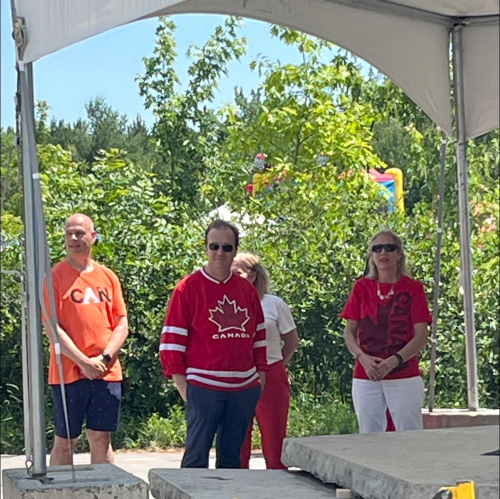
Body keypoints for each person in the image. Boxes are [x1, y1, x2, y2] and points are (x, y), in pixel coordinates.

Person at [159, 220, 268, 469]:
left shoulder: (246, 290)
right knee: (196, 458)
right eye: (214, 246)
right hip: (203, 387)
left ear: (235, 250)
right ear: (206, 248)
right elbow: (172, 342)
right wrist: (183, 387)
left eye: (227, 248)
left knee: (232, 460)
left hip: (243, 388)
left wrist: (259, 379)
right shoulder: (187, 288)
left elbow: (259, 337)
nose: (220, 253)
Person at [43, 213, 129, 465]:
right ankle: (59, 492)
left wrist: (102, 359)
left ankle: (104, 490)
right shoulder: (54, 277)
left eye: (80, 233)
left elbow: (121, 324)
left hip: (106, 371)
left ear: (93, 236)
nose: (73, 238)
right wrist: (83, 362)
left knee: (101, 437)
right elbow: (52, 328)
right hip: (67, 371)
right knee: (66, 440)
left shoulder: (108, 277)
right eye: (69, 233)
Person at [341, 229, 431, 433]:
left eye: (390, 248)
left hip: (404, 374)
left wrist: (394, 360)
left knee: (409, 434)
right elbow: (349, 332)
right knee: (369, 435)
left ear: (399, 254)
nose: (384, 253)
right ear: (371, 256)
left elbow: (421, 335)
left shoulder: (413, 288)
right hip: (367, 373)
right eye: (377, 248)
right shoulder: (361, 287)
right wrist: (362, 358)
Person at [232, 252, 299, 469]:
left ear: (252, 275)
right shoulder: (226, 303)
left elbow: (291, 341)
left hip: (271, 374)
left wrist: (278, 364)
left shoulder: (274, 304)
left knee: (274, 441)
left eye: (237, 272)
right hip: (237, 375)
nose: (231, 276)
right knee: (236, 441)